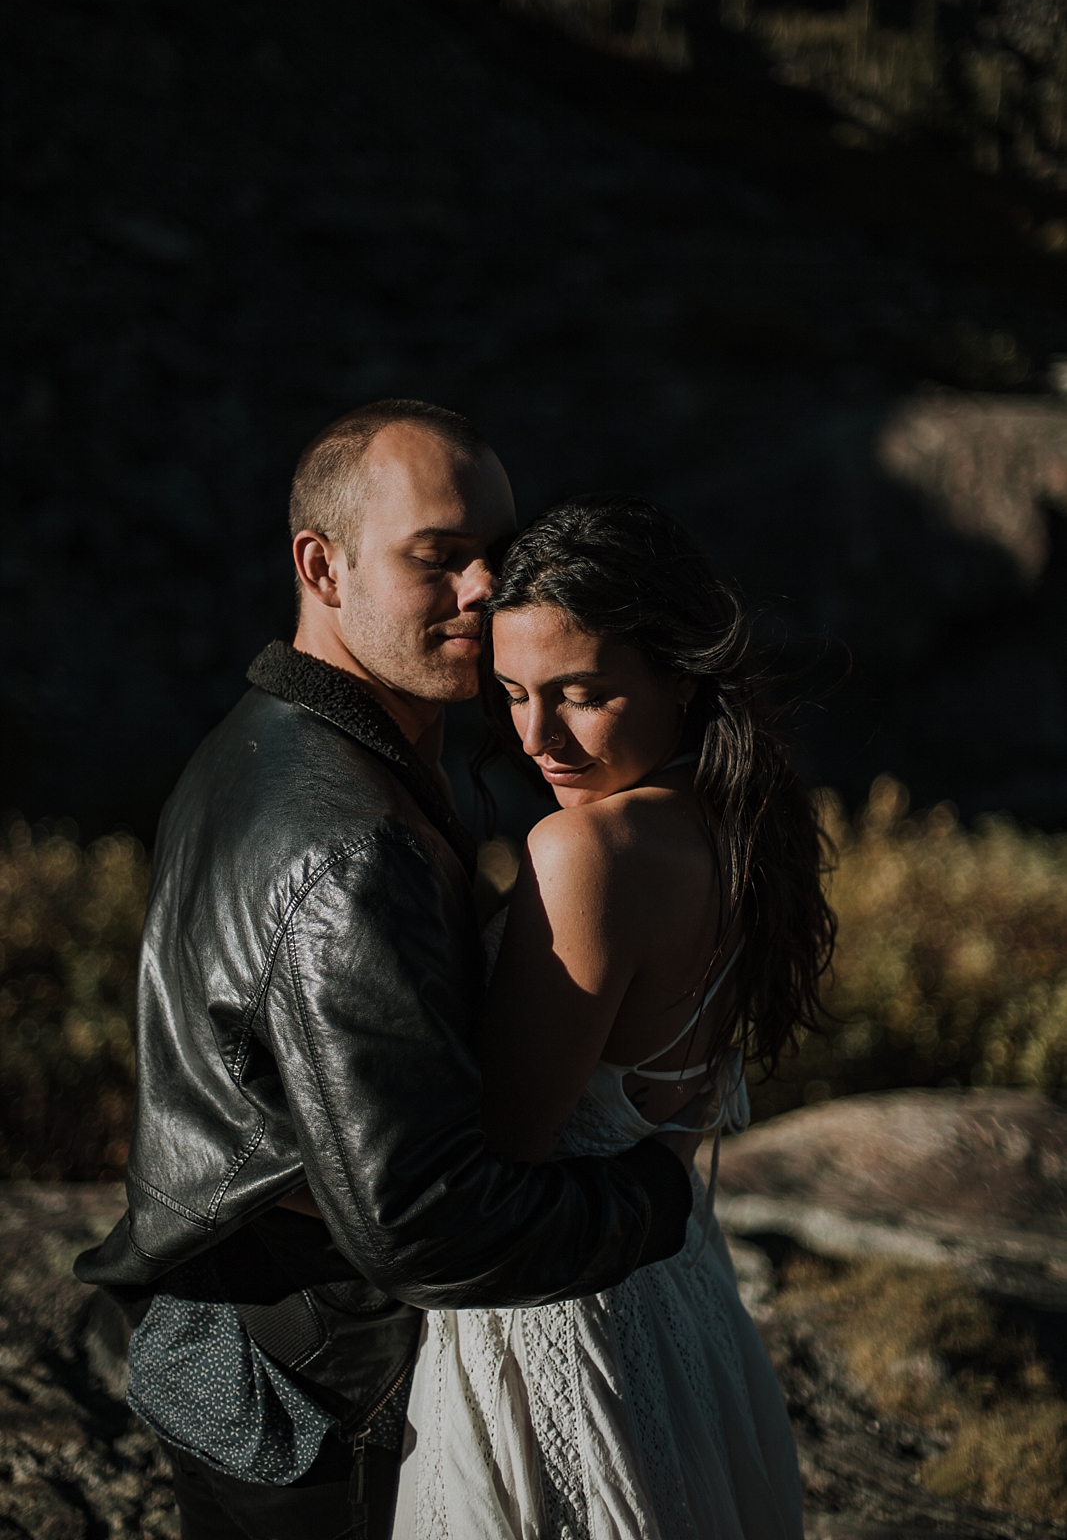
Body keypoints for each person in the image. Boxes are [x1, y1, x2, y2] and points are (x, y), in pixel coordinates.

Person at [73, 405, 706, 1540]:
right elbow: (425, 1222)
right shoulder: (342, 840)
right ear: (321, 564)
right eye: (436, 558)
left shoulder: (287, 743)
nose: (482, 590)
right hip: (313, 1390)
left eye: (496, 555)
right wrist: (657, 1194)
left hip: (272, 1347)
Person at [393, 493, 835, 1539]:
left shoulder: (586, 854)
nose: (538, 737)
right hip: (681, 1304)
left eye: (581, 694)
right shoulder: (737, 822)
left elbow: (504, 1145)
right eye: (509, 694)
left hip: (563, 1319)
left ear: (678, 677)